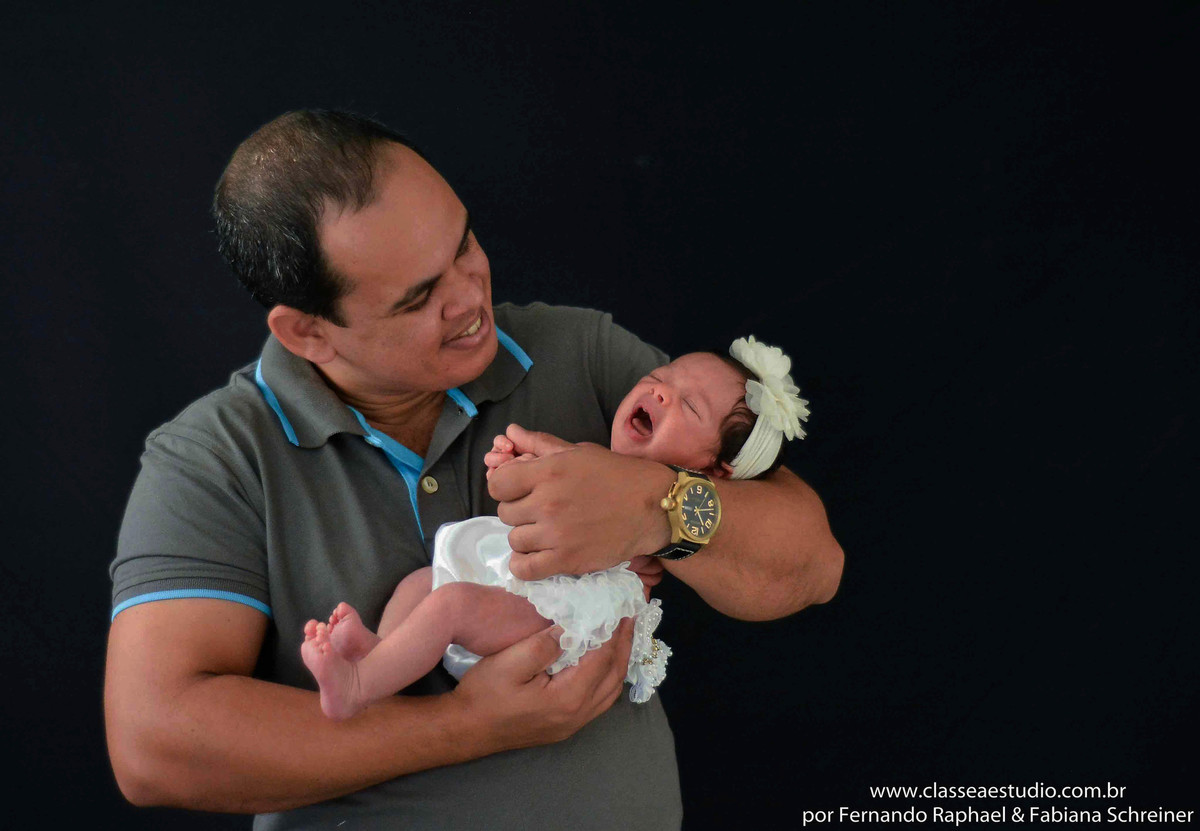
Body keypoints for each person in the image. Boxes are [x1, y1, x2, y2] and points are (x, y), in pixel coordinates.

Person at [104, 109, 844, 830]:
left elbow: (811, 564)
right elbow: (154, 746)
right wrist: (465, 724)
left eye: (463, 245)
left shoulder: (578, 355)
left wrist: (659, 501)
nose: (470, 298)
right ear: (310, 332)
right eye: (419, 297)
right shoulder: (213, 459)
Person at [301, 338, 811, 720]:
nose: (660, 391)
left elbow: (639, 559)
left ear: (714, 471)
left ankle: (361, 685)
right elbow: (533, 493)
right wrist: (512, 466)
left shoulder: (675, 514)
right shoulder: (591, 461)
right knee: (423, 584)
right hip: (524, 587)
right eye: (663, 375)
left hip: (565, 614)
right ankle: (383, 655)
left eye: (690, 405)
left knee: (448, 605)